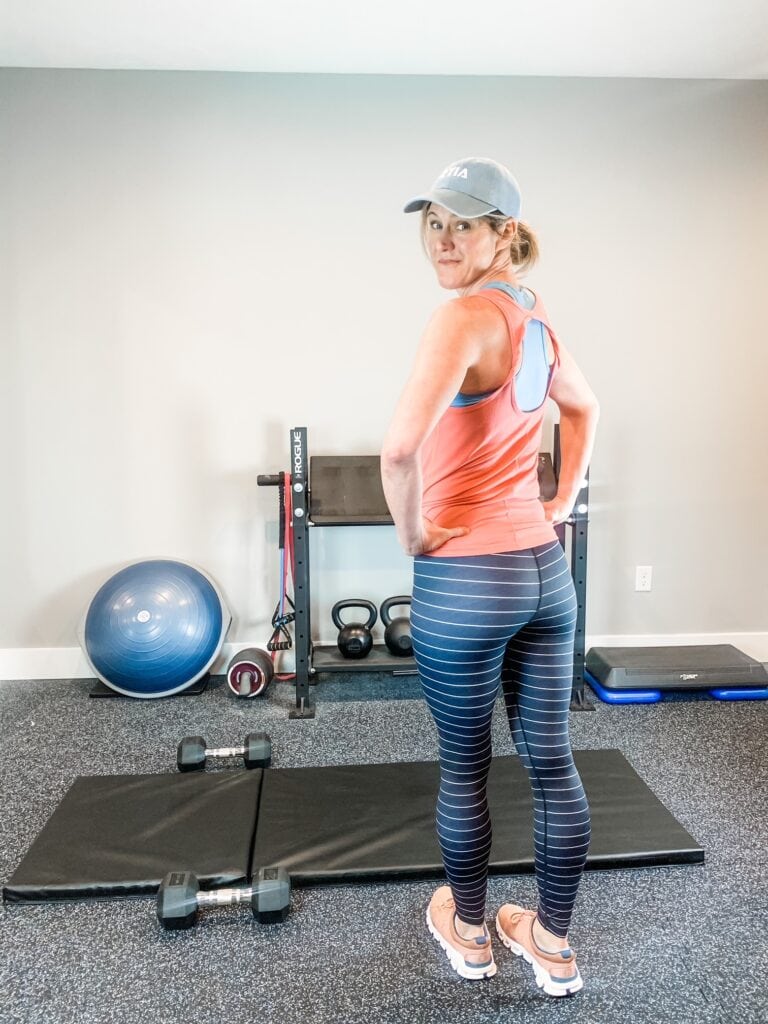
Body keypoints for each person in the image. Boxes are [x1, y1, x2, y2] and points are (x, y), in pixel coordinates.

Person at [380, 157, 599, 997]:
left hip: (469, 579)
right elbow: (584, 408)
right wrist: (559, 502)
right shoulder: (532, 315)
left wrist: (416, 536)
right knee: (552, 761)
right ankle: (550, 944)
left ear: (503, 233)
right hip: (545, 574)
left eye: (461, 224)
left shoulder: (463, 315)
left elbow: (397, 449)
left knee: (465, 766)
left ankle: (470, 934)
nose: (442, 239)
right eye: (432, 223)